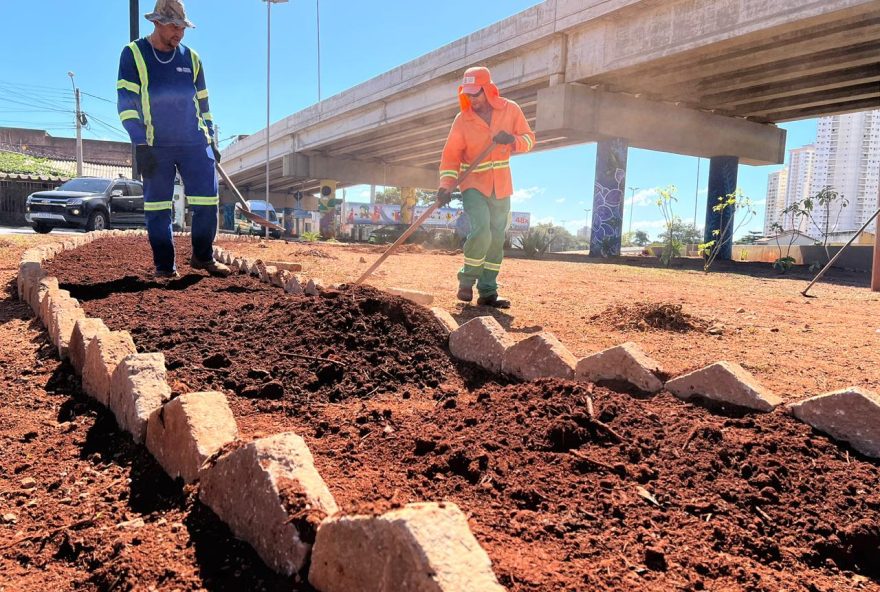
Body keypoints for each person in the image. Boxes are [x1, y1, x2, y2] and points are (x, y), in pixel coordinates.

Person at [116, 0, 230, 278]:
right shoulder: (134, 54)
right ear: (156, 22)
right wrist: (140, 144)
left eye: (183, 27)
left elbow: (204, 104)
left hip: (195, 143)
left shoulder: (192, 58)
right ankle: (165, 267)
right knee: (157, 207)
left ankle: (202, 257)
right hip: (156, 146)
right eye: (173, 26)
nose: (179, 32)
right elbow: (126, 103)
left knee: (207, 202)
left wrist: (212, 140)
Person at [436, 66, 535, 308]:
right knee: (481, 231)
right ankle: (466, 281)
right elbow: (451, 157)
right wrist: (446, 185)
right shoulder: (463, 120)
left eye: (476, 94)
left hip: (501, 186)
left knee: (496, 237)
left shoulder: (511, 110)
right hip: (473, 186)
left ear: (489, 90)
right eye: (468, 94)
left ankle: (488, 292)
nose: (472, 99)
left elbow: (529, 140)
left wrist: (512, 140)